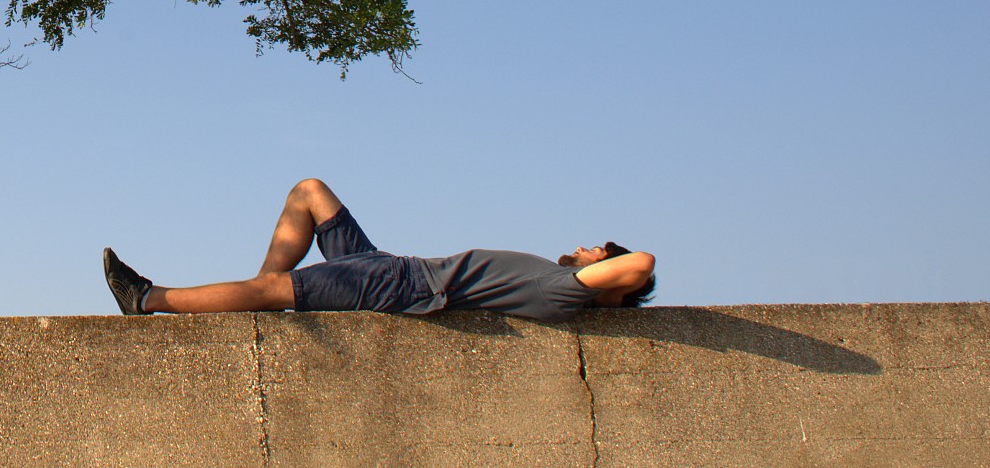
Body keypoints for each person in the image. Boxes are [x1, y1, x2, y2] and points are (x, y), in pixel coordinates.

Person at [102, 177, 656, 321]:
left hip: (404, 287)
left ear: (607, 277)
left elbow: (643, 264)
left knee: (273, 291)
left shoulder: (565, 293)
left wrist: (613, 270)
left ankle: (148, 299)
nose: (583, 248)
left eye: (595, 250)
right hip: (392, 266)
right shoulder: (561, 285)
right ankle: (262, 301)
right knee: (310, 192)